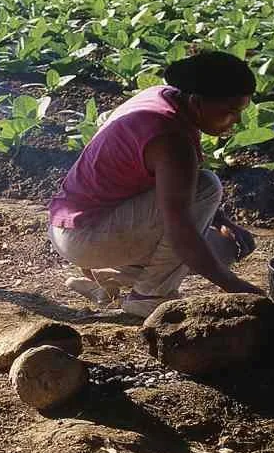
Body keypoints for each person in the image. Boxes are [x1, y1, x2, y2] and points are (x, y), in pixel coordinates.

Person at [48, 50, 263, 318]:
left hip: (72, 226)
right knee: (207, 187)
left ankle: (108, 278)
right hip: (87, 234)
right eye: (230, 111)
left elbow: (173, 189)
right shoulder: (171, 139)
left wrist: (222, 221)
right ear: (197, 101)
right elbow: (180, 230)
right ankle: (149, 296)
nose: (237, 121)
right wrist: (238, 288)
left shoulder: (164, 97)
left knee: (224, 247)